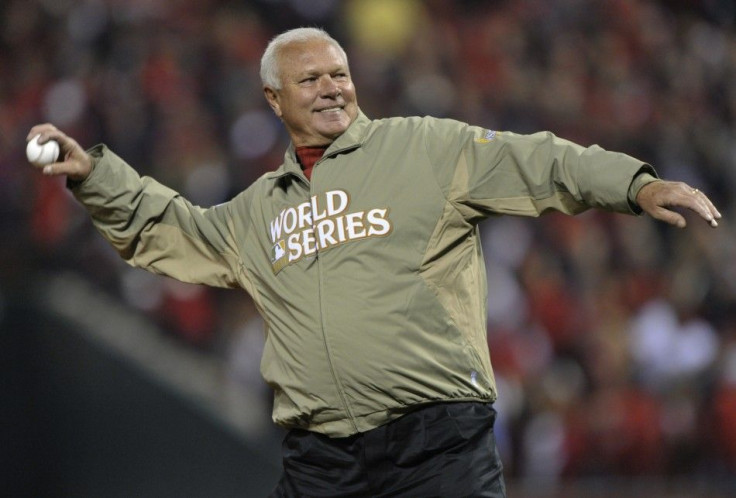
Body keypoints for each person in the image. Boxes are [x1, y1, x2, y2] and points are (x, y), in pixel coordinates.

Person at [27, 27, 721, 497]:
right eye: (311, 80)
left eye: (340, 74)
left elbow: (536, 160)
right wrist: (96, 178)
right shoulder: (256, 210)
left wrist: (635, 184)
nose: (332, 88)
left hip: (437, 446)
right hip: (321, 461)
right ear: (273, 99)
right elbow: (170, 230)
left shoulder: (422, 147)